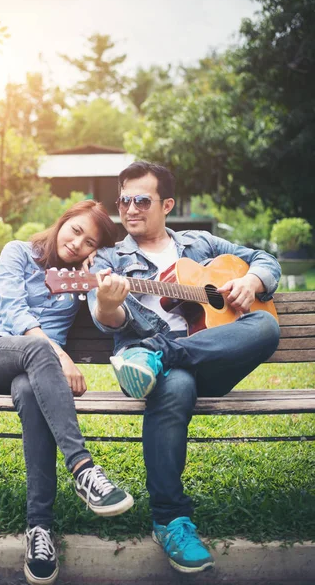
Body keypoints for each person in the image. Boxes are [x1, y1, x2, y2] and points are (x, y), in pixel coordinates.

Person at [87, 162, 281, 575]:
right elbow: (107, 319)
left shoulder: (200, 243)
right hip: (142, 370)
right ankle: (171, 521)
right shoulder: (108, 259)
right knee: (173, 386)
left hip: (202, 356)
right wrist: (108, 301)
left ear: (167, 204)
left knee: (265, 324)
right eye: (124, 200)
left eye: (142, 200)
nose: (130, 208)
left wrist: (253, 283)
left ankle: (162, 352)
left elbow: (265, 259)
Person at [0, 200, 134, 585]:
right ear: (62, 222)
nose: (78, 244)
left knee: (29, 391)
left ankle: (39, 530)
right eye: (75, 230)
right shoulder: (19, 252)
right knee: (39, 349)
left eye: (89, 241)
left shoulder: (82, 275)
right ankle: (83, 468)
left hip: (33, 375)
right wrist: (60, 354)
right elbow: (11, 308)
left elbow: (108, 312)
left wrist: (101, 265)